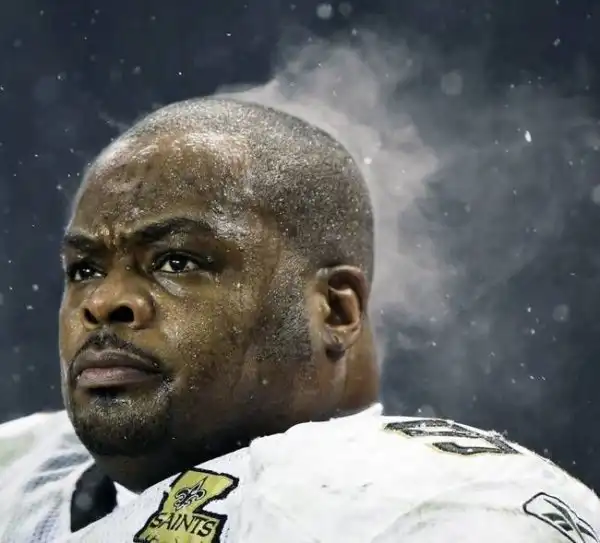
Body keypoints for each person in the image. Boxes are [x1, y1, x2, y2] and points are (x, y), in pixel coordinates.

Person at [0, 97, 598, 542]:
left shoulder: (444, 505)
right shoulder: (19, 469)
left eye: (177, 261)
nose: (104, 301)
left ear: (335, 310)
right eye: (84, 269)